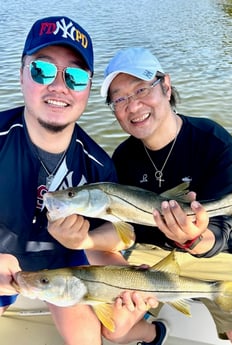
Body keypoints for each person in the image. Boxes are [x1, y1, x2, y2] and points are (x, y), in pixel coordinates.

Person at [98, 47, 232, 345]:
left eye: (141, 89)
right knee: (113, 330)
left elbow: (220, 231)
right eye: (120, 98)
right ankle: (155, 333)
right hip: (148, 258)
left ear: (166, 86)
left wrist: (192, 238)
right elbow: (124, 231)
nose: (133, 105)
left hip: (214, 256)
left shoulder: (214, 142)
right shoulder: (123, 158)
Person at [0, 16, 134, 345]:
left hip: (62, 264)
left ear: (87, 88)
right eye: (42, 70)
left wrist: (86, 237)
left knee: (92, 338)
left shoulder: (99, 166)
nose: (59, 87)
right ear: (21, 75)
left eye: (74, 76)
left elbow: (123, 234)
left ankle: (147, 329)